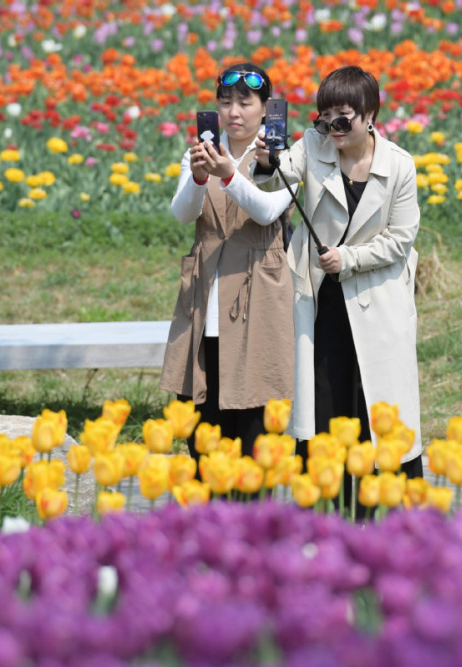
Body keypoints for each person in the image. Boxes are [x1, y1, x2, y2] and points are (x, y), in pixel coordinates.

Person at [253, 65, 423, 506]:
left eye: (342, 119)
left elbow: (400, 241)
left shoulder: (400, 166)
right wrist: (265, 157)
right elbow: (277, 176)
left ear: (371, 114)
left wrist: (347, 258)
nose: (332, 129)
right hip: (321, 300)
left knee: (374, 403)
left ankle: (380, 513)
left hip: (378, 300)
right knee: (324, 402)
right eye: (323, 119)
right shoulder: (313, 147)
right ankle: (327, 510)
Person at [160, 63, 294, 464]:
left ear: (266, 107)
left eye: (245, 102)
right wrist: (202, 178)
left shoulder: (282, 156)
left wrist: (230, 175)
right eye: (225, 102)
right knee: (203, 433)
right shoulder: (200, 153)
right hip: (204, 303)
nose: (234, 112)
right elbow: (182, 214)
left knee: (256, 433)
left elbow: (270, 210)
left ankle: (253, 520)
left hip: (260, 302)